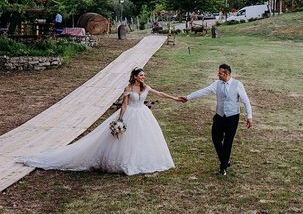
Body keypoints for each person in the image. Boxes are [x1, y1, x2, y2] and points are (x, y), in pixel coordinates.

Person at [18, 68, 179, 175]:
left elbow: (160, 94)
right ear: (135, 76)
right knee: (125, 140)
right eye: (141, 75)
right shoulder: (128, 89)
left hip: (143, 114)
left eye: (144, 75)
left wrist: (176, 98)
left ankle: (142, 160)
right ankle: (124, 162)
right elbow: (124, 105)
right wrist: (121, 120)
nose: (144, 77)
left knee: (144, 139)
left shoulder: (145, 87)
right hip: (131, 113)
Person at [179, 63, 253, 176]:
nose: (218, 74)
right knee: (216, 138)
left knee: (228, 142)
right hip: (219, 116)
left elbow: (246, 101)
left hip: (232, 117)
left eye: (220, 73)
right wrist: (188, 97)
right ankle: (225, 160)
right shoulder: (216, 84)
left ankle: (223, 167)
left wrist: (249, 116)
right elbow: (203, 91)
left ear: (226, 74)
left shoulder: (238, 85)